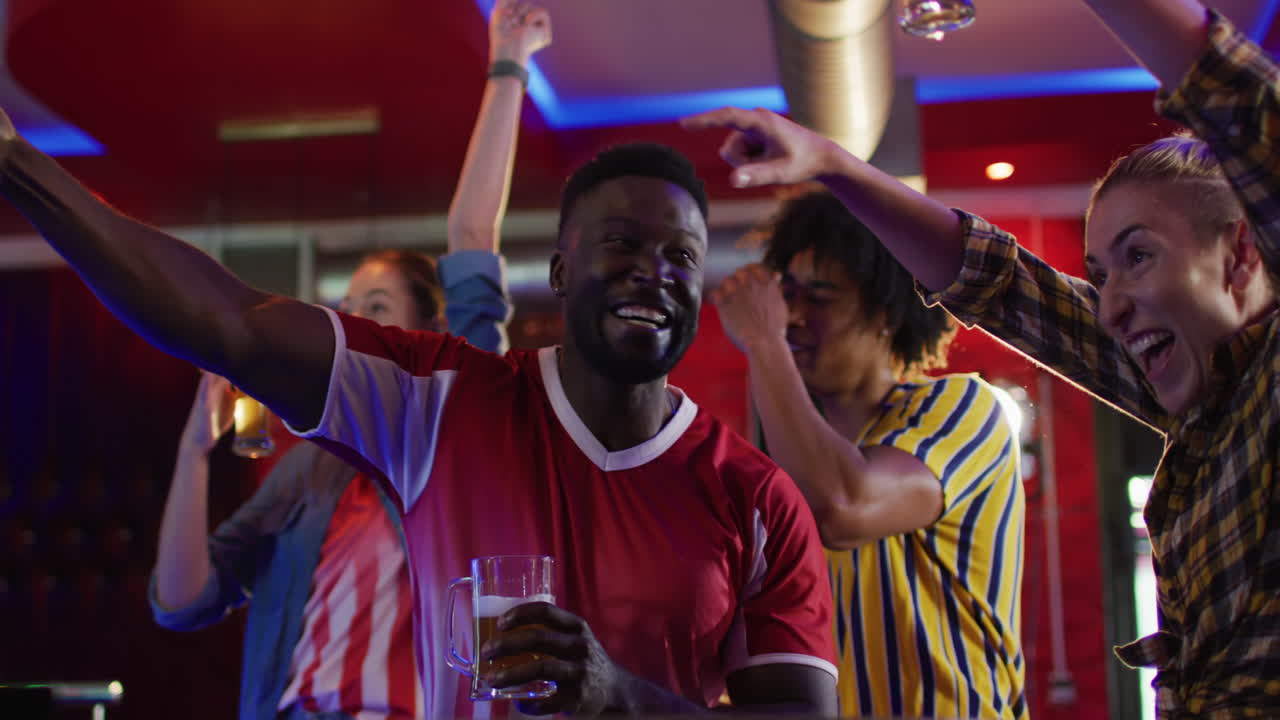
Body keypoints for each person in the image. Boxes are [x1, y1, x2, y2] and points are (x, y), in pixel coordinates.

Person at [0, 33, 838, 720]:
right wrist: (14, 161)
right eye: (621, 242)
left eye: (681, 255)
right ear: (558, 270)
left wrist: (619, 697)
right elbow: (232, 322)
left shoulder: (757, 496)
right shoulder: (440, 400)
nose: (653, 270)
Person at [684, 0, 1280, 714]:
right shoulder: (1205, 404)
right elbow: (1002, 287)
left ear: (1242, 253)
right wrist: (832, 165)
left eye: (1139, 257)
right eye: (1100, 276)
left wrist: (765, 339)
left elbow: (1247, 108)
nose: (1112, 306)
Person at [148, 2, 545, 718]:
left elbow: (472, 236)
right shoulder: (311, 467)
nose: (355, 323)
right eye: (348, 307)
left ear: (429, 333)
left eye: (378, 307)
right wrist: (192, 452)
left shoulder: (451, 426)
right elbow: (182, 602)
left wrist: (508, 64)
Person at [713, 189, 1024, 719]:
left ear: (885, 311)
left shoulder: (964, 407)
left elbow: (843, 506)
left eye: (820, 296)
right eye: (786, 295)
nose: (791, 317)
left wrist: (764, 340)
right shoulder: (791, 461)